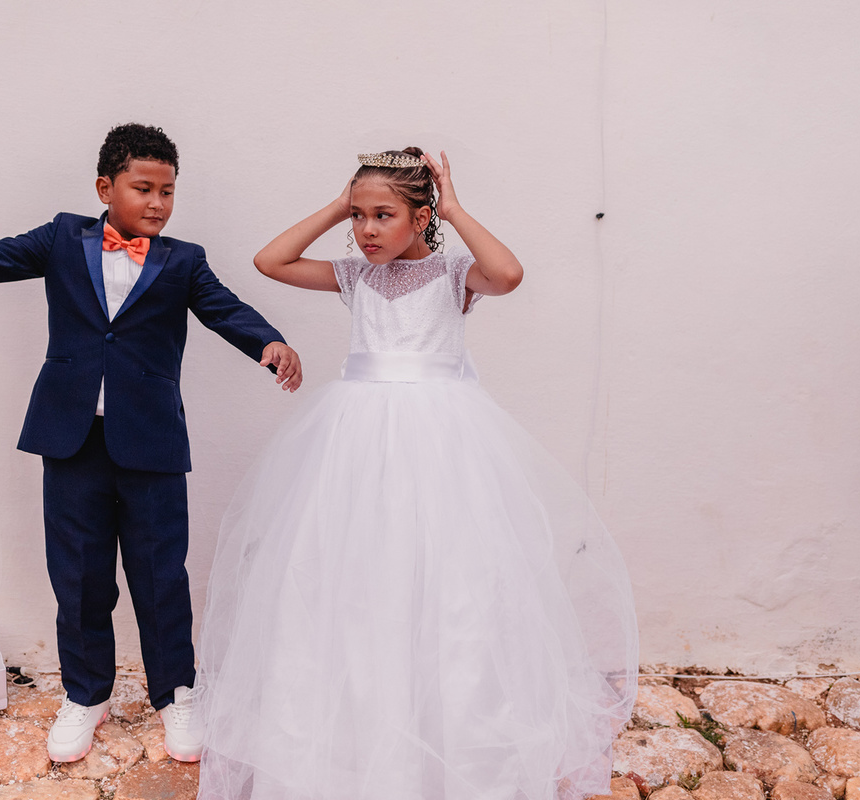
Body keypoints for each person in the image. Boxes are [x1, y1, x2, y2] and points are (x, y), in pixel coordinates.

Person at [0, 123, 301, 765]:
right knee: (79, 576)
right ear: (104, 188)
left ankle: (176, 694)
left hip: (152, 444)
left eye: (169, 191)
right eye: (144, 188)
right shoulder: (61, 237)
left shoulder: (183, 260)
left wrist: (269, 342)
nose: (159, 203)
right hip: (72, 438)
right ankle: (86, 695)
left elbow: (224, 308)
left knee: (161, 575)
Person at [193, 148, 638, 800]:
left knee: (447, 577)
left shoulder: (454, 273)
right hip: (357, 441)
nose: (367, 229)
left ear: (420, 217)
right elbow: (271, 261)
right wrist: (337, 205)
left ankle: (451, 732)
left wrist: (455, 212)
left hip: (441, 441)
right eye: (359, 216)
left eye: (383, 215)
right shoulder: (352, 275)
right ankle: (357, 728)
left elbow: (508, 273)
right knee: (356, 574)